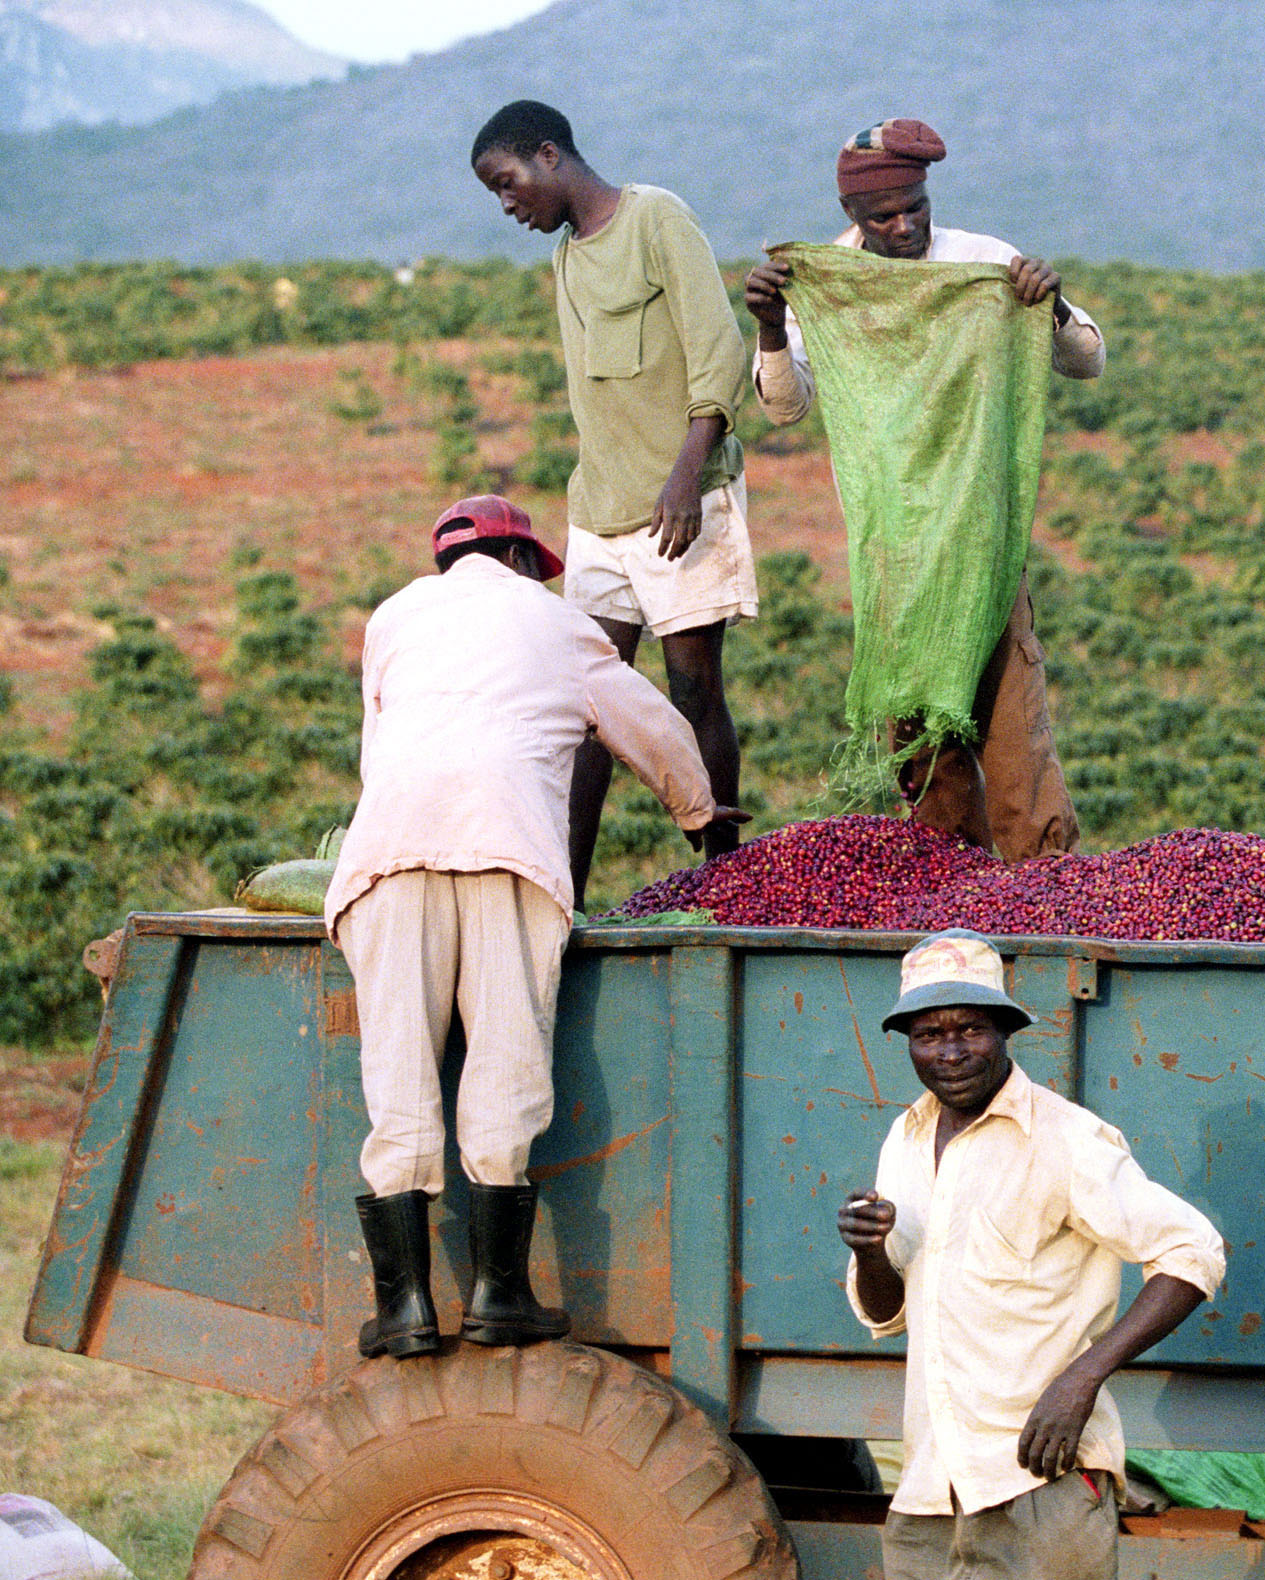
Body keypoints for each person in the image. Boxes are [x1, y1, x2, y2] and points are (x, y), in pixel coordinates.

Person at [325, 495, 741, 1359]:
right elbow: (652, 726)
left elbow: (377, 750)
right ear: (521, 560)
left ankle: (401, 1310)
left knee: (397, 1075)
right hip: (507, 849)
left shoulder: (394, 617)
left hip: (385, 856)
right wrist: (701, 818)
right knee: (506, 1062)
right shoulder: (554, 620)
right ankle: (498, 1294)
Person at [744, 118, 1101, 861]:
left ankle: (1043, 893)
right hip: (896, 556)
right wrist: (772, 328)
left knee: (1013, 735)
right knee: (924, 756)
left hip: (982, 539)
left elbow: (1088, 360)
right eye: (883, 217)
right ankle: (953, 895)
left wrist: (1053, 306)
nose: (904, 226)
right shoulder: (830, 282)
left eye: (916, 207)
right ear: (852, 218)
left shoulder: (984, 262)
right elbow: (785, 405)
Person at [838, 929, 1225, 1580]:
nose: (951, 1051)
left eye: (970, 1029)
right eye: (929, 1034)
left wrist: (1082, 1379)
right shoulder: (903, 1141)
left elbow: (1193, 1251)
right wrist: (872, 1254)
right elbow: (886, 1314)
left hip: (1040, 1481)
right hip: (933, 1488)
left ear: (1004, 1032)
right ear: (907, 1041)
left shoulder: (1066, 1139)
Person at [469, 99, 752, 903]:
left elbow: (717, 350)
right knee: (586, 702)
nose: (507, 203)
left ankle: (723, 886)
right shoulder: (565, 257)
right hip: (599, 512)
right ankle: (562, 891)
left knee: (694, 690)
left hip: (680, 502)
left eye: (508, 181)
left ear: (548, 155)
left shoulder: (655, 218)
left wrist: (687, 475)